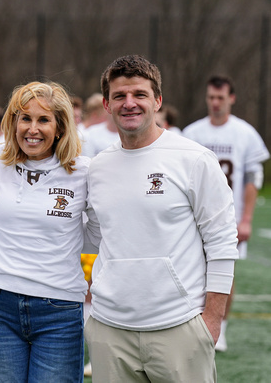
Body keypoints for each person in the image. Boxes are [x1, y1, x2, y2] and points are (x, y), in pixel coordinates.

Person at [84, 55, 239, 382]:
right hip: (111, 330)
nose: (130, 104)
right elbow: (95, 237)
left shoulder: (193, 159)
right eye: (119, 96)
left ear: (157, 101)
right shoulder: (96, 168)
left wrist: (211, 320)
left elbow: (222, 241)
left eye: (139, 95)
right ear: (106, 105)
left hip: (179, 327)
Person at [0, 81, 99, 383]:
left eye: (43, 119)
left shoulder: (82, 171)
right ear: (13, 122)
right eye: (25, 118)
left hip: (59, 309)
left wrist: (61, 239)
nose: (33, 128)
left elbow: (97, 232)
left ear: (59, 127)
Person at [183, 75, 270, 351]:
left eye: (220, 98)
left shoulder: (244, 133)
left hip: (229, 216)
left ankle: (221, 327)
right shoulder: (193, 132)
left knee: (224, 272)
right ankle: (189, 323)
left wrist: (246, 219)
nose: (215, 103)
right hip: (195, 214)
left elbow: (253, 178)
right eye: (211, 97)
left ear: (231, 98)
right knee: (192, 270)